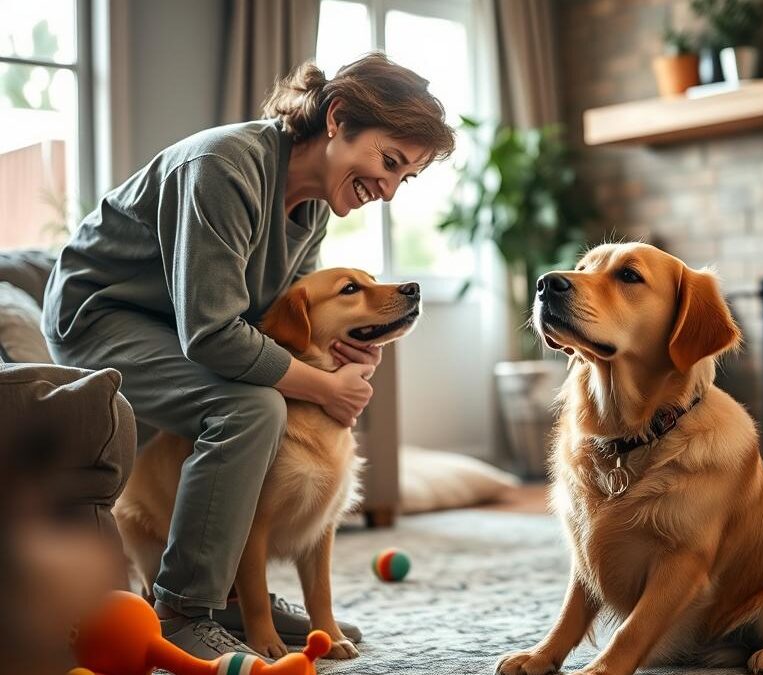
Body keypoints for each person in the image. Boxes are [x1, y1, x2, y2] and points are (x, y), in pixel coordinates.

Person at [42, 52, 455, 659]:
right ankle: (183, 607)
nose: (388, 190)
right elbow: (213, 334)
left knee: (267, 399)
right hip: (100, 318)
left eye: (405, 178)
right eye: (388, 162)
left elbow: (291, 323)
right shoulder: (224, 167)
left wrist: (349, 355)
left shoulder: (313, 208)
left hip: (179, 325)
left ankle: (234, 600)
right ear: (337, 118)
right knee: (250, 409)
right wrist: (325, 387)